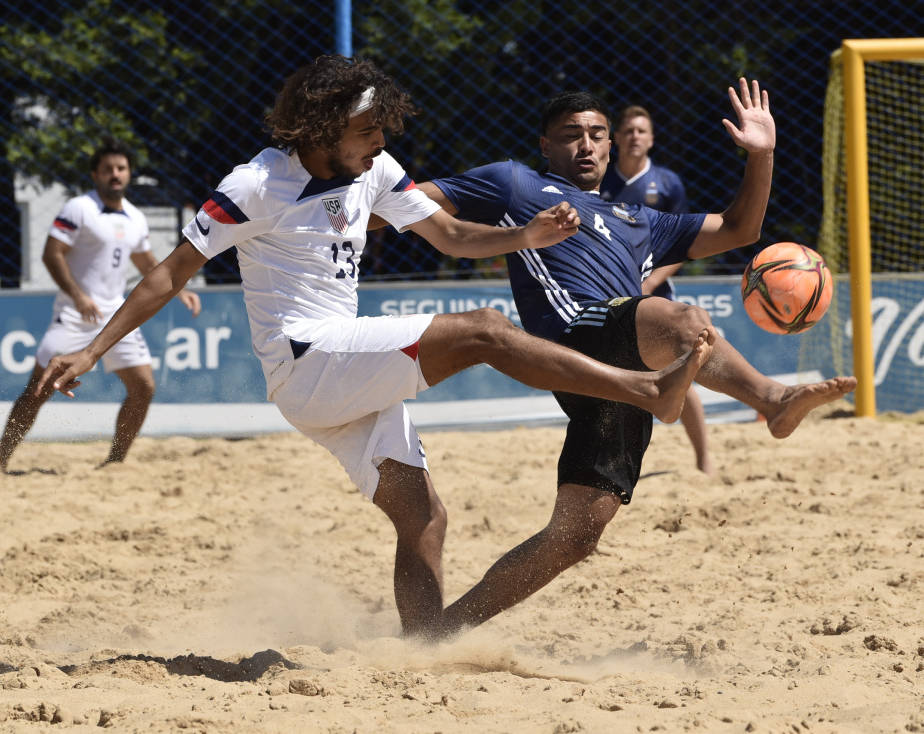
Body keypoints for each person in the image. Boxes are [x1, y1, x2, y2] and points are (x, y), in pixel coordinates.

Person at [35, 55, 717, 642]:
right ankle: (643, 391)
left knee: (424, 517)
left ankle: (422, 651)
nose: (381, 139)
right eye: (368, 127)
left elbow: (451, 236)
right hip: (306, 359)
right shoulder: (254, 184)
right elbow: (167, 273)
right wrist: (94, 351)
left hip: (343, 375)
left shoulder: (376, 168)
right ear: (323, 125)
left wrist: (524, 237)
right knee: (482, 328)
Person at [420, 78, 857, 637]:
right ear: (545, 146)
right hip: (573, 340)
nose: (586, 145)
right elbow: (405, 203)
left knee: (575, 536)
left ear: (610, 146)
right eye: (571, 135)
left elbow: (742, 227)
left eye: (597, 135)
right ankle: (771, 399)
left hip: (618, 374)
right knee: (683, 320)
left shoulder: (638, 220)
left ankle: (440, 632)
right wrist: (331, 218)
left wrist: (763, 154)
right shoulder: (515, 183)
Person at [0, 137, 201, 474]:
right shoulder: (79, 208)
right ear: (95, 175)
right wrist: (77, 294)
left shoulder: (135, 217)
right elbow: (51, 254)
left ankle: (114, 463)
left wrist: (179, 290)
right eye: (108, 169)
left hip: (115, 316)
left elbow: (148, 264)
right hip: (74, 314)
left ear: (129, 174)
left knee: (143, 387)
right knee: (39, 389)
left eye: (121, 168)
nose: (115, 174)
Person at [600, 105, 714, 475]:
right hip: (607, 288)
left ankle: (704, 460)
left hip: (653, 291)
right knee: (610, 378)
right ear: (616, 138)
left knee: (681, 374)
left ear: (651, 139)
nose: (634, 136)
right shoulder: (600, 181)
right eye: (628, 130)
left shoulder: (667, 184)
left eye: (641, 131)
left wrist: (647, 283)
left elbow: (681, 243)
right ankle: (612, 464)